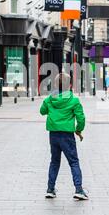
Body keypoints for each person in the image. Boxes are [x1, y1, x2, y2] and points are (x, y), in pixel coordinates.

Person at [40, 73, 88, 201]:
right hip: (67, 135)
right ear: (70, 85)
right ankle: (79, 190)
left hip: (53, 135)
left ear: (55, 84)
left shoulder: (50, 99)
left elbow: (42, 111)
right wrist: (78, 130)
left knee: (54, 161)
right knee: (73, 161)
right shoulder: (74, 100)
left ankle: (50, 189)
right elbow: (81, 118)